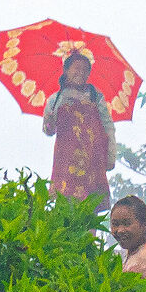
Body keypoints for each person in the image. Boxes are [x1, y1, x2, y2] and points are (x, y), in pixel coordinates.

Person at [42, 49, 115, 202]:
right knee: (65, 202)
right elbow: (49, 130)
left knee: (90, 205)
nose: (81, 73)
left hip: (92, 159)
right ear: (66, 70)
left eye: (85, 70)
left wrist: (110, 155)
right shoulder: (56, 99)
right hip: (66, 160)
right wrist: (50, 116)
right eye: (77, 68)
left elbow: (108, 126)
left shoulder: (95, 95)